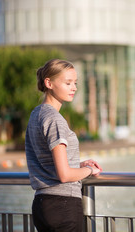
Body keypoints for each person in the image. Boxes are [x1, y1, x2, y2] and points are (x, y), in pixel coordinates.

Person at [25, 59, 102, 232]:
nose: (74, 87)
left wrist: (78, 164)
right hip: (63, 206)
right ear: (49, 83)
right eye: (68, 83)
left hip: (41, 205)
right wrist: (90, 170)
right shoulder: (54, 119)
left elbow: (46, 160)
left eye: (75, 83)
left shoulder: (36, 114)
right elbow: (64, 175)